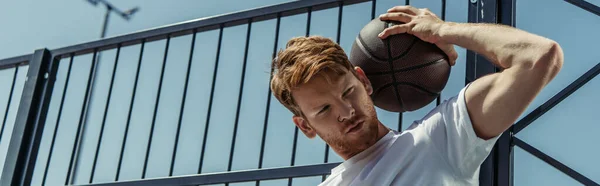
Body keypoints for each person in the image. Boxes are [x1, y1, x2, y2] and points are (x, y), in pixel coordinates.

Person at [270, 5, 563, 186]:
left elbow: (539, 56)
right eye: (323, 110)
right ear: (305, 126)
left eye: (348, 92)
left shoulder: (437, 140)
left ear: (364, 81)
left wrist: (445, 31)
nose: (346, 111)